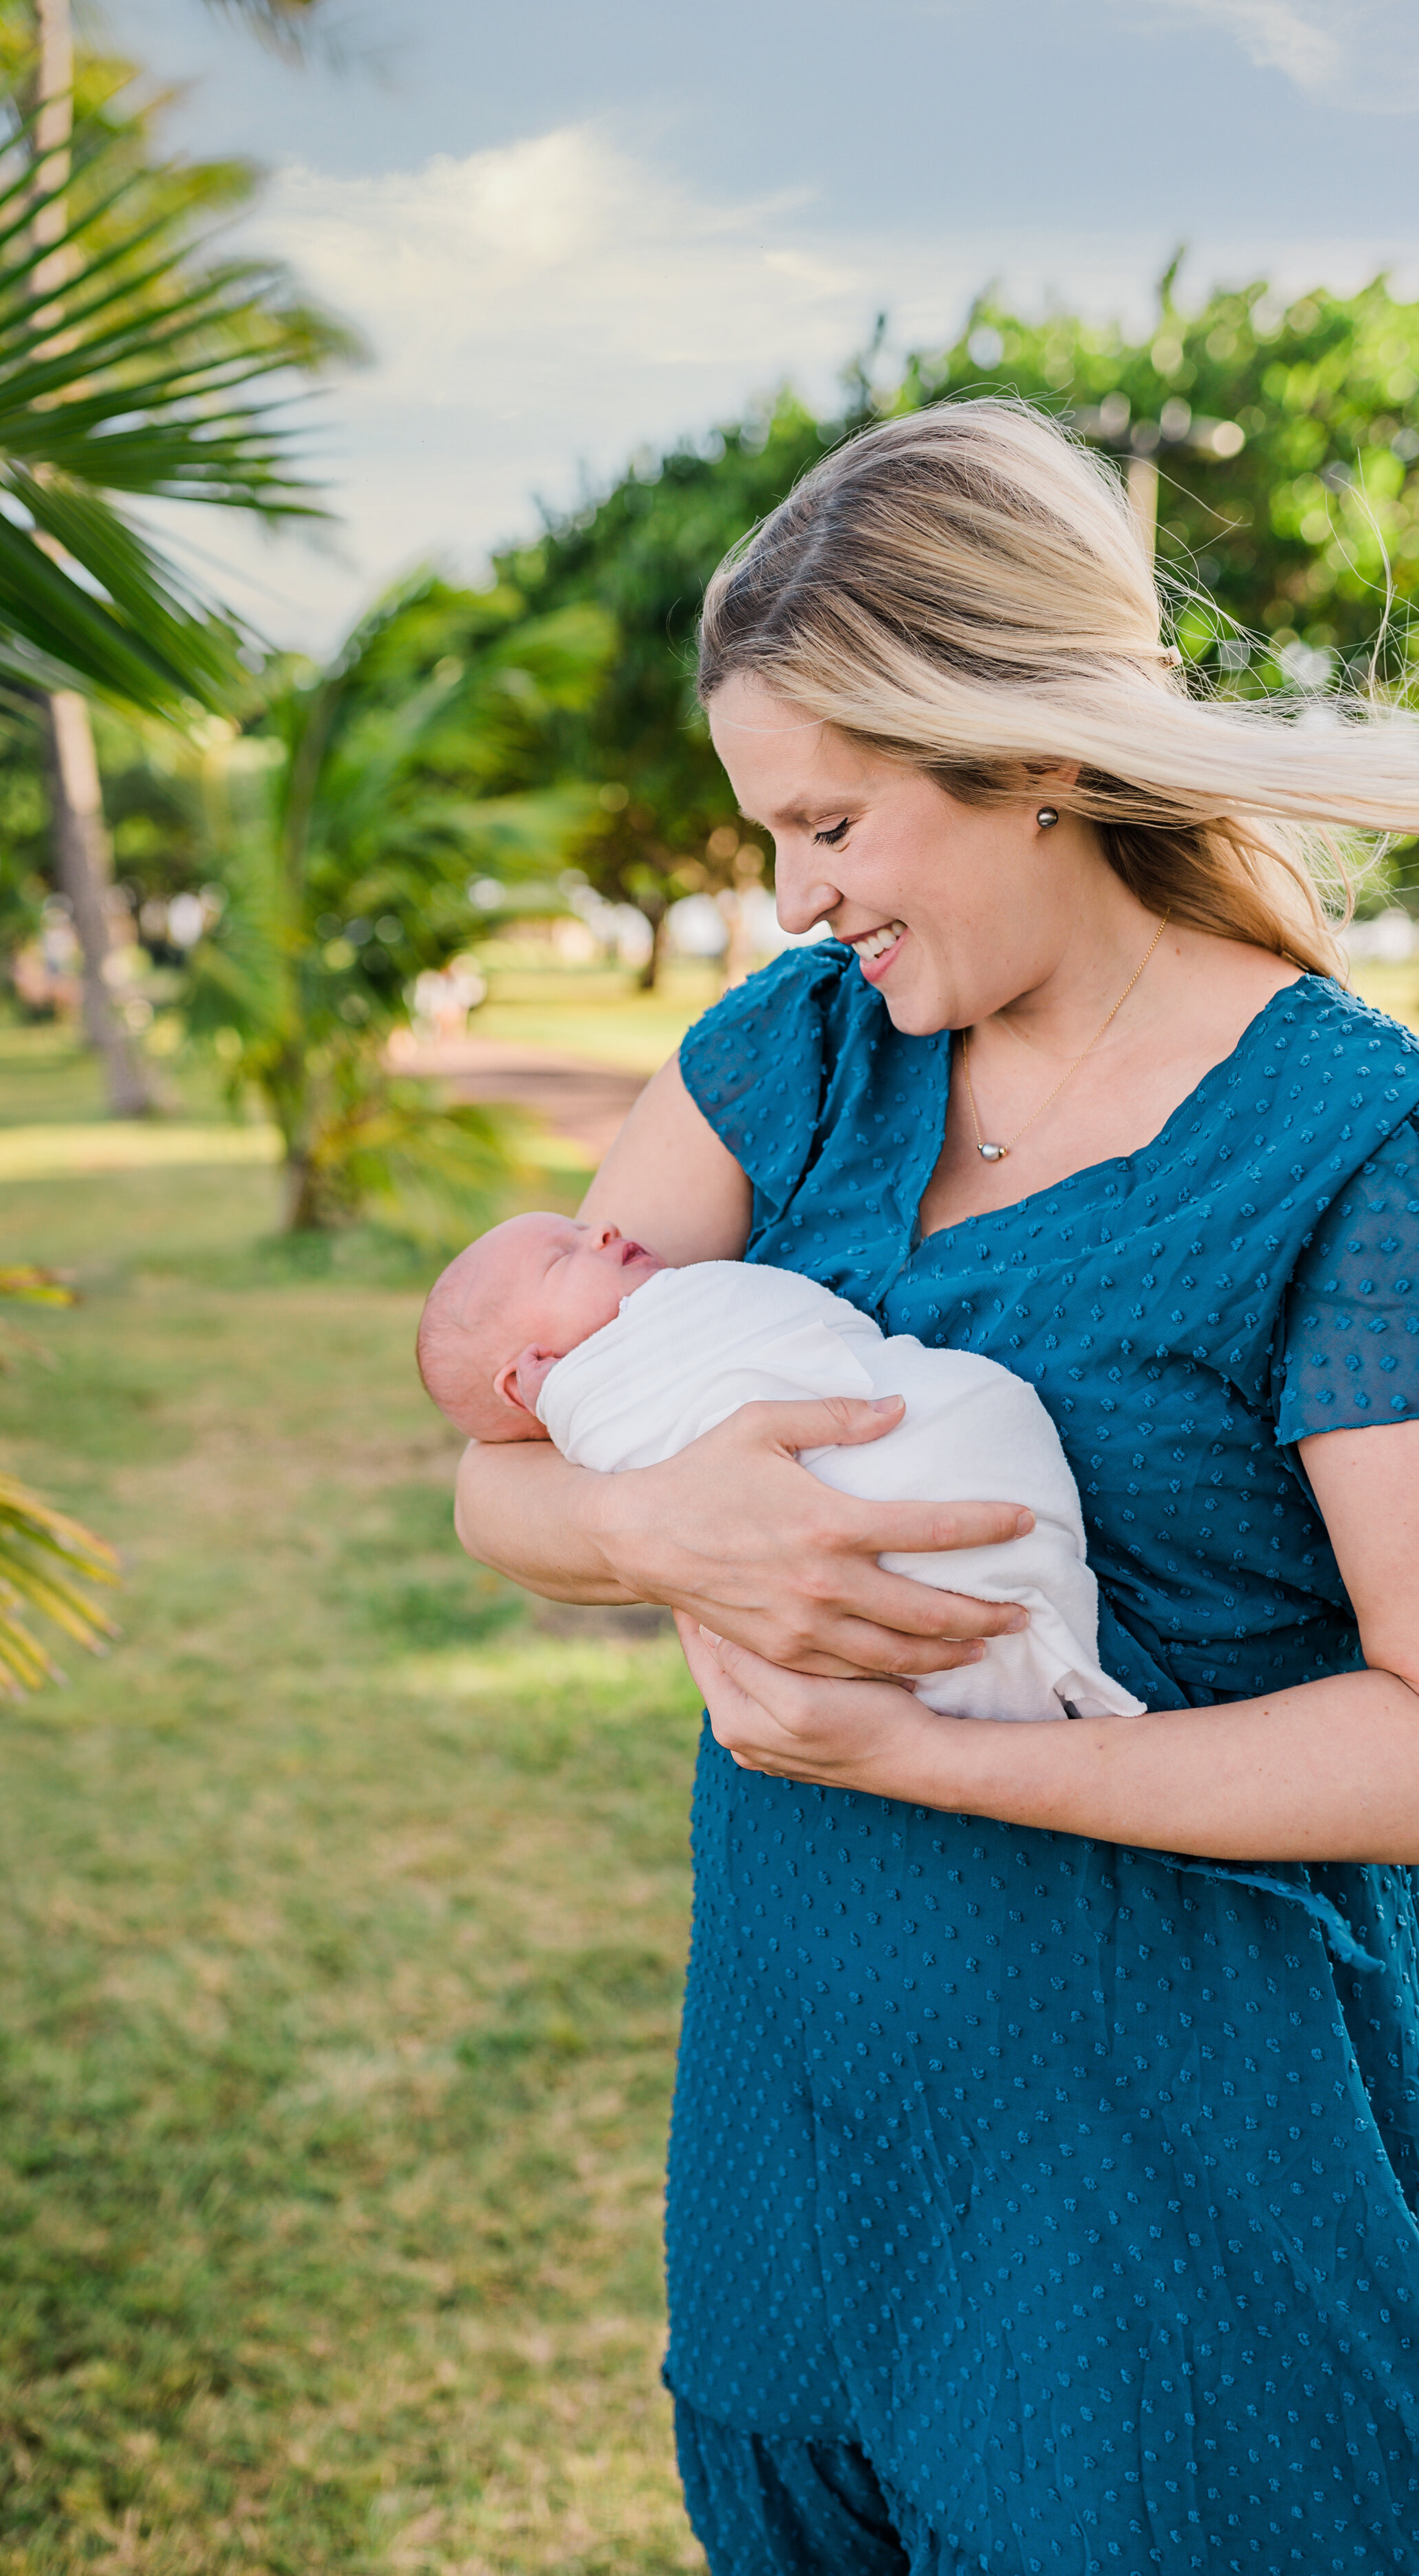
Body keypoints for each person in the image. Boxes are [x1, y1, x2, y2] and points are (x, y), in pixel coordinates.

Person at [453, 398, 1419, 2575]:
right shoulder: (788, 1060)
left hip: (1178, 2174)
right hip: (805, 2119)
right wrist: (644, 1529)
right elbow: (492, 1476)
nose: (793, 895)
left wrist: (922, 1758)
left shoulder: (1349, 1148)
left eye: (830, 822)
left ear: (1038, 759)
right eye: (766, 833)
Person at [416, 1209, 1141, 1722]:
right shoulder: (600, 1398)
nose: (600, 1228)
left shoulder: (664, 1306)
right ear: (531, 1377)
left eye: (579, 1229)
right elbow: (490, 1497)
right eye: (561, 1256)